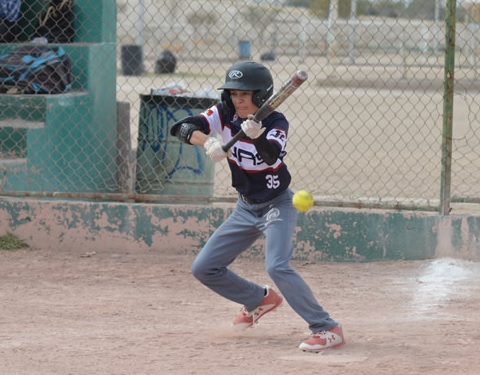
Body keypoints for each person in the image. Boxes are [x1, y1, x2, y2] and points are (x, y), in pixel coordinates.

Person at [170, 61, 345, 352]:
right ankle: (258, 299)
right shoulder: (224, 113)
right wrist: (208, 142)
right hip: (245, 208)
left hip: (277, 205)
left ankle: (327, 328)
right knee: (204, 267)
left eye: (245, 94)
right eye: (234, 94)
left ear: (261, 96)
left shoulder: (276, 122)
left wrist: (257, 135)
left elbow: (270, 156)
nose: (238, 100)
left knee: (276, 265)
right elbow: (183, 127)